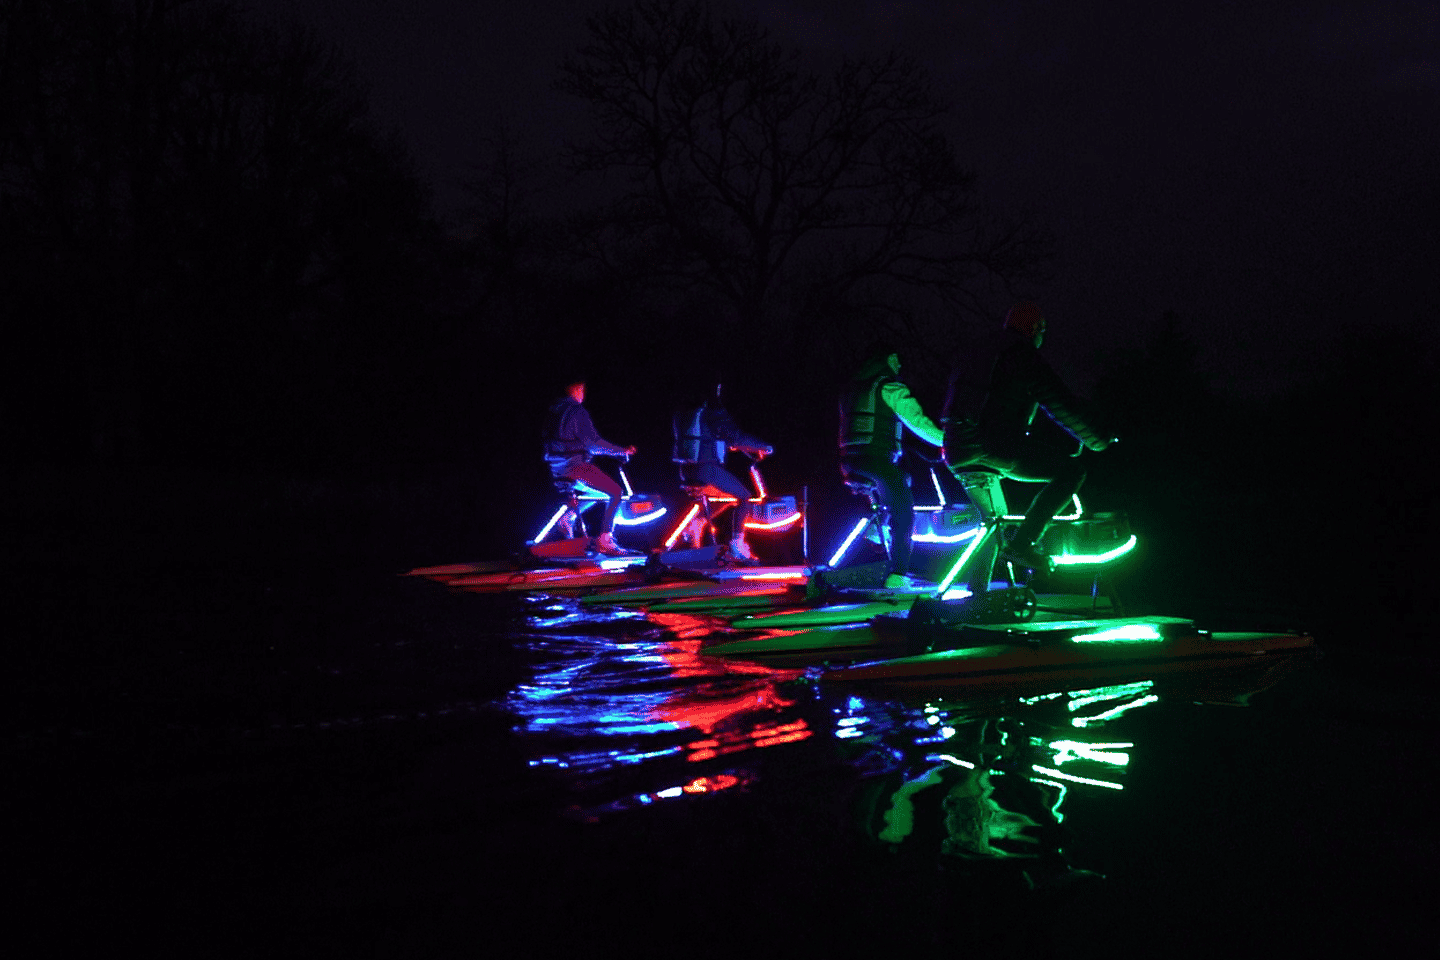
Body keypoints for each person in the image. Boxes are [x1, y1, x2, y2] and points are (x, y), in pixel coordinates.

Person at [943, 302, 1113, 574]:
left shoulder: (977, 351)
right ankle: (1024, 544)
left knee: (993, 522)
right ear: (1035, 330)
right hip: (991, 446)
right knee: (1071, 471)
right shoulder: (1021, 355)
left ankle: (980, 596)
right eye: (1042, 332)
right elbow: (1061, 405)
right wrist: (1098, 439)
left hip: (956, 447)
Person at [838, 343, 945, 588]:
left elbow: (873, 425)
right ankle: (898, 576)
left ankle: (877, 531)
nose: (899, 365)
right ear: (887, 359)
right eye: (897, 360)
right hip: (877, 462)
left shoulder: (853, 388)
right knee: (905, 514)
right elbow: (918, 422)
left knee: (903, 479)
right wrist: (949, 441)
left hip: (849, 462)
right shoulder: (890, 386)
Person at [672, 383, 774, 561]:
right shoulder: (713, 411)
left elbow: (703, 438)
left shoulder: (685, 412)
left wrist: (730, 446)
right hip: (706, 470)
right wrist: (763, 446)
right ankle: (737, 544)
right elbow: (735, 436)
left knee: (725, 498)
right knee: (744, 497)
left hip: (686, 470)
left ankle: (697, 523)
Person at [542, 378, 638, 556]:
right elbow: (594, 444)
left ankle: (567, 517)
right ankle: (605, 539)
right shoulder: (576, 411)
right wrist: (620, 451)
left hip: (556, 468)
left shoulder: (554, 411)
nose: (583, 393)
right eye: (583, 389)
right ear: (577, 388)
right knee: (616, 492)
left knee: (597, 494)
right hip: (574, 466)